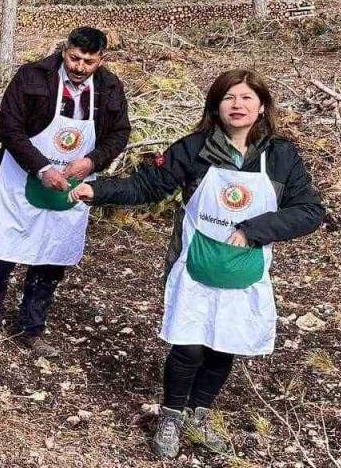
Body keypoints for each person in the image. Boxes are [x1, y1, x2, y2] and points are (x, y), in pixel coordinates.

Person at [70, 69, 323, 458]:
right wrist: (96, 190)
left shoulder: (281, 157)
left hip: (245, 271)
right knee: (188, 347)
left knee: (224, 347)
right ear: (215, 106)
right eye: (228, 98)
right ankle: (171, 415)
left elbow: (308, 211)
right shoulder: (194, 149)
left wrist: (255, 228)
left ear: (262, 106)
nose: (237, 106)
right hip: (194, 266)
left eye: (245, 98)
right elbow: (146, 185)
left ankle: (198, 414)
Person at [0, 26, 130, 358]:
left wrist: (92, 160)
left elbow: (119, 133)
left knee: (53, 254)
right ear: (64, 50)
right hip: (21, 177)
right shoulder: (33, 77)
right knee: (3, 251)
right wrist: (42, 167)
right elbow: (10, 127)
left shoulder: (110, 88)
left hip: (72, 185)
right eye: (74, 58)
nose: (79, 66)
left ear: (101, 59)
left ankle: (32, 326)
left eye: (88, 61)